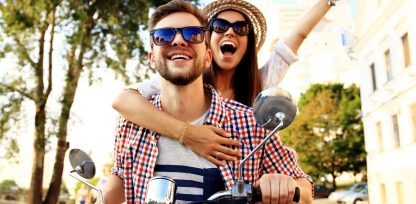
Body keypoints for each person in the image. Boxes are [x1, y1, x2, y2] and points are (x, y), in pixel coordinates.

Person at [104, 0, 313, 203]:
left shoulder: (252, 123)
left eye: (193, 35)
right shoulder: (131, 122)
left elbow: (304, 190)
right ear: (152, 58)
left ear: (207, 57)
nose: (178, 41)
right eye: (163, 36)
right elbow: (120, 177)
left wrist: (282, 185)